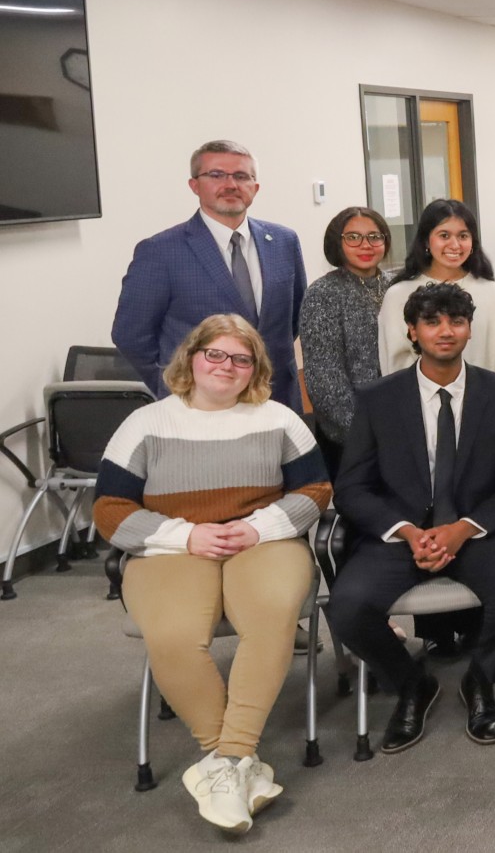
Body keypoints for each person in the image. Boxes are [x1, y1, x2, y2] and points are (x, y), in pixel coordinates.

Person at [94, 315, 330, 834]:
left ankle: (227, 762)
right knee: (174, 634)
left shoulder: (279, 419)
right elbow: (109, 508)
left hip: (263, 541)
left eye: (241, 359)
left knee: (271, 617)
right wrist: (186, 535)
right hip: (171, 549)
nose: (227, 367)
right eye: (215, 355)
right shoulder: (147, 424)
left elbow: (314, 492)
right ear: (191, 358)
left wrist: (258, 526)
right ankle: (233, 762)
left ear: (256, 370)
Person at [326, 284, 495, 755]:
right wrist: (405, 531)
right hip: (399, 536)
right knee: (347, 607)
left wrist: (464, 528)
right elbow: (352, 488)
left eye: (456, 322)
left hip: (475, 530)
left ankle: (480, 680)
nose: (446, 331)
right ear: (413, 331)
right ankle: (411, 683)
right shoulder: (378, 398)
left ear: (469, 329)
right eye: (433, 322)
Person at [113, 140, 307, 409]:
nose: (230, 185)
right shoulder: (160, 251)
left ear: (255, 187)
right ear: (194, 185)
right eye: (216, 175)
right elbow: (131, 336)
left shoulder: (284, 241)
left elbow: (294, 319)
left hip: (277, 399)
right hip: (198, 406)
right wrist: (175, 387)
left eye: (241, 176)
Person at [299, 207, 393, 476]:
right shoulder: (323, 294)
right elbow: (324, 377)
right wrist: (365, 431)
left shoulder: (397, 287)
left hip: (401, 425)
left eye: (375, 236)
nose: (366, 245)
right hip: (350, 435)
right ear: (337, 242)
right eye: (353, 237)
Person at [378, 198, 495, 377]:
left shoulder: (492, 294)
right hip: (417, 401)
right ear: (427, 241)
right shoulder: (398, 295)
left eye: (463, 236)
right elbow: (394, 365)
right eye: (444, 235)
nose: (455, 245)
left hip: (483, 400)